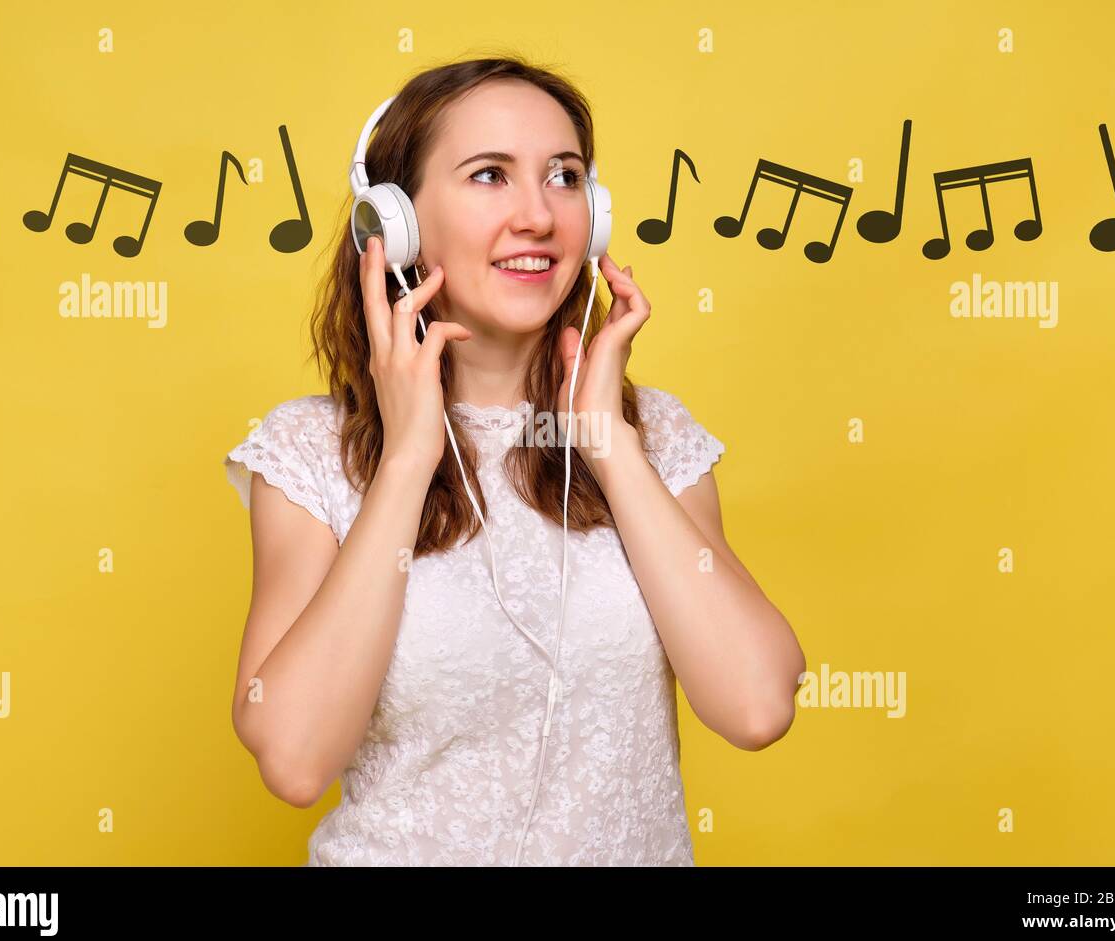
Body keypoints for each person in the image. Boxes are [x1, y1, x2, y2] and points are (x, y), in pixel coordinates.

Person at [223, 56, 806, 866]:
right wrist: (407, 458)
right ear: (393, 225)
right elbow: (293, 757)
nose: (538, 215)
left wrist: (608, 443)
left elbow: (756, 705)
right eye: (490, 175)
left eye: (563, 177)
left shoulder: (655, 438)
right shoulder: (312, 454)